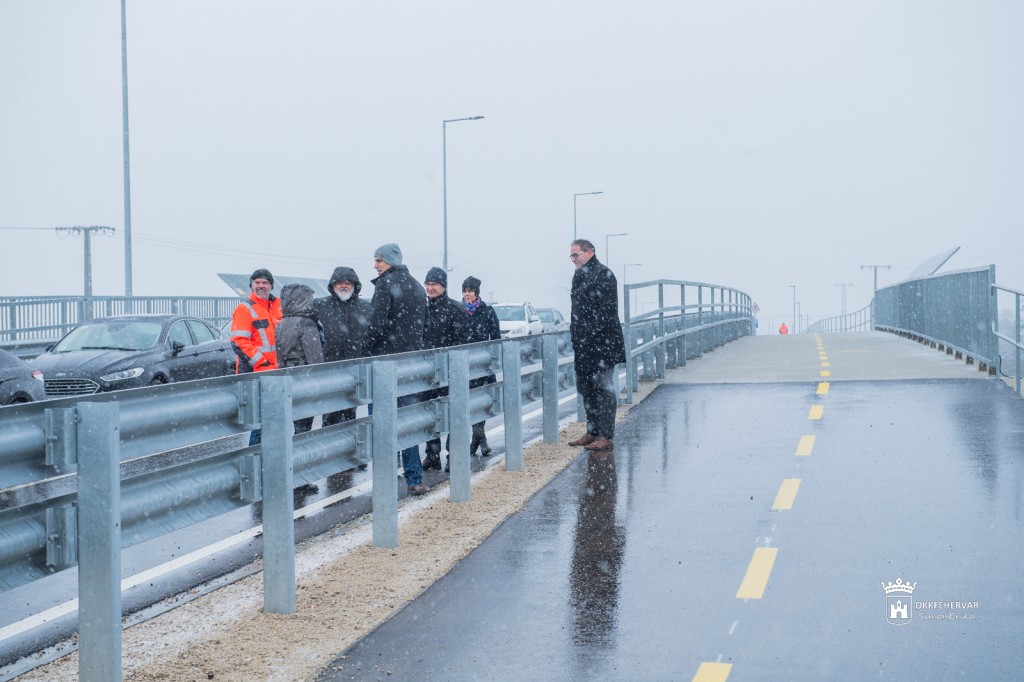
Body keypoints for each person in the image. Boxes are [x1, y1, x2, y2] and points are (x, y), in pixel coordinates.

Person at [362, 243, 429, 495]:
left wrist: (365, 351)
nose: (375, 265)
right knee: (408, 423)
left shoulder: (385, 285)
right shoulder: (417, 286)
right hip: (410, 367)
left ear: (390, 261)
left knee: (382, 425)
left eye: (378, 260)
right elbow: (426, 325)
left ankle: (386, 479)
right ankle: (414, 478)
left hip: (385, 366)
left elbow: (376, 324)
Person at [567, 239, 626, 451]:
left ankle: (606, 435)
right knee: (586, 388)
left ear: (589, 252)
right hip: (583, 344)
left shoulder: (604, 274)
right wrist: (577, 336)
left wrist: (591, 337)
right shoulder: (578, 275)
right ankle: (592, 431)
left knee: (603, 388)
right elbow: (577, 311)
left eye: (576, 255)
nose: (573, 259)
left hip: (602, 343)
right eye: (571, 256)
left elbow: (607, 312)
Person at [421, 266, 469, 472]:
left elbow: (461, 341)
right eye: (428, 284)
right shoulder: (422, 309)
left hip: (450, 372)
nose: (430, 288)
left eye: (434, 284)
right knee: (429, 414)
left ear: (444, 286)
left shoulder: (456, 309)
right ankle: (432, 455)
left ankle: (453, 455)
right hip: (427, 372)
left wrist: (446, 362)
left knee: (451, 414)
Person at [230, 269, 282, 447]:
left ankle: (272, 456)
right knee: (262, 421)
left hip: (278, 374)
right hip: (256, 374)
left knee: (275, 420)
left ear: (271, 286)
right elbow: (239, 342)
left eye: (265, 283)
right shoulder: (245, 309)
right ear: (251, 285)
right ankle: (255, 456)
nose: (261, 286)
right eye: (257, 282)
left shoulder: (278, 307)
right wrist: (262, 362)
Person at [314, 266, 371, 426]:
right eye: (339, 282)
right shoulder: (320, 305)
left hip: (355, 369)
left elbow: (372, 337)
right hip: (329, 369)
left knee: (350, 413)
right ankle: (329, 441)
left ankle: (349, 441)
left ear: (355, 285)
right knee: (329, 414)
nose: (344, 285)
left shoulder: (365, 308)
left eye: (348, 282)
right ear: (333, 285)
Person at [276, 283, 325, 434]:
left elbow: (280, 358)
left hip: (290, 379)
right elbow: (315, 358)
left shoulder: (281, 324)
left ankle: (295, 445)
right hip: (306, 379)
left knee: (297, 422)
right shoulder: (306, 323)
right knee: (305, 425)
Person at [461, 275, 501, 457]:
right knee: (471, 404)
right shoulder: (459, 310)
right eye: (465, 291)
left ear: (476, 292)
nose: (467, 294)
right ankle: (481, 439)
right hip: (465, 365)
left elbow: (496, 337)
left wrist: (492, 359)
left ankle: (478, 439)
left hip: (484, 365)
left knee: (482, 403)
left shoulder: (487, 311)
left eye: (470, 291)